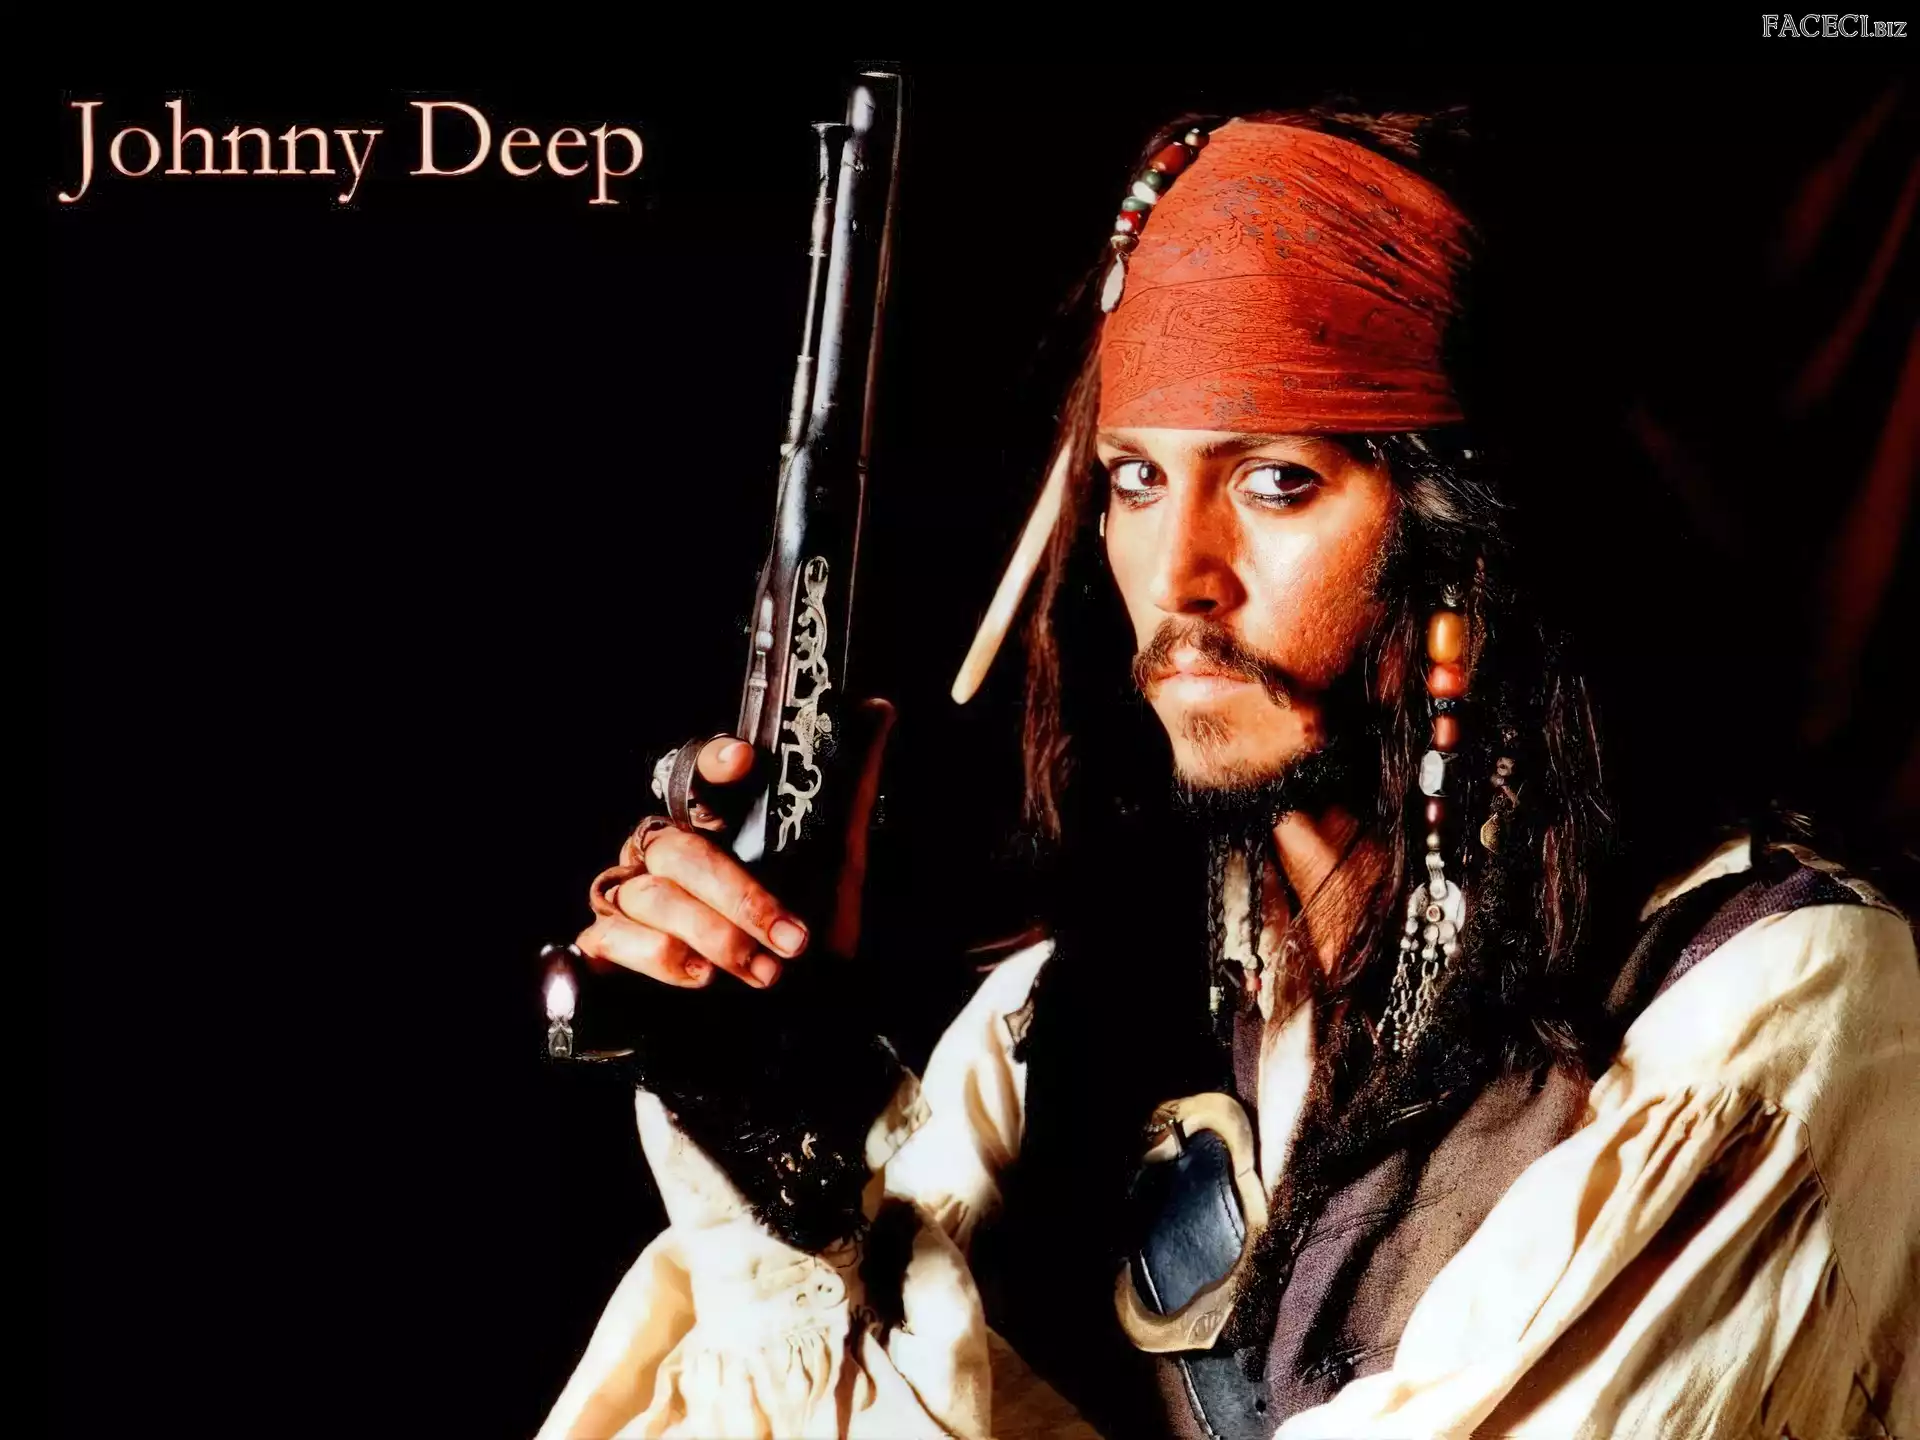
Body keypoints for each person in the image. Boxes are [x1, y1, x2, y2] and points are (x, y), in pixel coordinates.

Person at [537, 105, 1919, 1439]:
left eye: (1277, 480)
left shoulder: (1769, 999)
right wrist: (784, 1159)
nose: (1182, 578)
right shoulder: (1055, 1021)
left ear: (1469, 533)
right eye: (1136, 481)